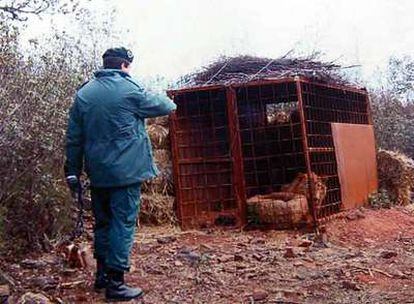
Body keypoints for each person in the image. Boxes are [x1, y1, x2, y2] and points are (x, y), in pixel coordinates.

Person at [64, 47, 176, 301]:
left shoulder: (84, 94)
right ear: (125, 65)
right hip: (125, 175)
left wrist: (72, 171)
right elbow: (168, 105)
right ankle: (116, 283)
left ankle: (101, 276)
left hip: (98, 174)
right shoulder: (130, 90)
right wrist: (139, 86)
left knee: (103, 223)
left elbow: (73, 138)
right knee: (122, 225)